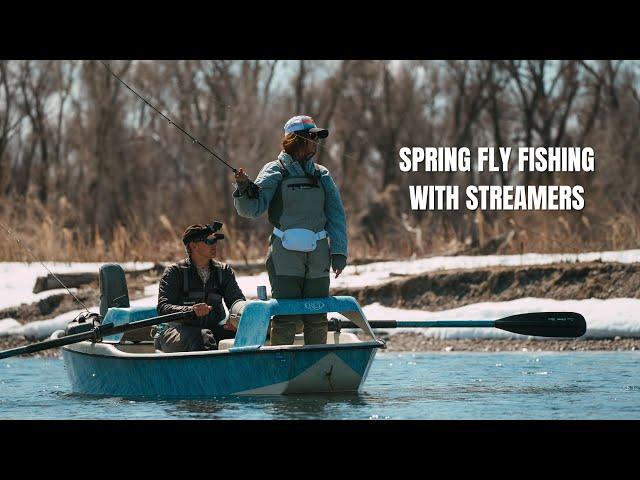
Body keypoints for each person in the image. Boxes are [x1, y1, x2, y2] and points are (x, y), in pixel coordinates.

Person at [232, 115, 347, 346]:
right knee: (286, 316)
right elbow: (252, 209)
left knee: (317, 315)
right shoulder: (274, 170)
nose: (316, 142)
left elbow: (336, 215)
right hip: (284, 255)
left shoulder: (321, 174)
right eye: (312, 137)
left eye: (317, 137)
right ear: (296, 140)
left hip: (318, 256)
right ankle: (280, 364)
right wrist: (244, 188)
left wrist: (339, 252)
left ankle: (316, 366)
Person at [155, 221, 248, 353]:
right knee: (203, 337)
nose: (214, 244)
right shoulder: (174, 272)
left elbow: (236, 300)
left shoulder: (224, 271)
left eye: (215, 241)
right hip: (175, 331)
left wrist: (236, 317)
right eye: (209, 241)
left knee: (242, 337)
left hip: (211, 329)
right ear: (193, 246)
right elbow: (163, 308)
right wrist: (190, 310)